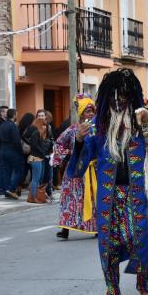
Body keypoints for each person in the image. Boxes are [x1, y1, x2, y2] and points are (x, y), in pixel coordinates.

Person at [67, 68, 148, 295]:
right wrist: (80, 140)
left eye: (122, 98)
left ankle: (144, 287)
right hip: (109, 197)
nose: (117, 103)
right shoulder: (98, 126)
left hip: (138, 195)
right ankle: (112, 290)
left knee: (141, 240)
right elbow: (79, 166)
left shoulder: (146, 120)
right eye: (113, 98)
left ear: (131, 97)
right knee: (108, 243)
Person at [53, 94, 98, 239]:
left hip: (93, 171)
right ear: (81, 113)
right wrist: (65, 156)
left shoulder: (98, 130)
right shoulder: (72, 130)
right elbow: (59, 143)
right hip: (74, 171)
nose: (90, 114)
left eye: (92, 111)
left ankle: (96, 227)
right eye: (87, 111)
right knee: (69, 200)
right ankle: (65, 228)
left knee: (93, 199)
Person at [21, 113, 52, 204]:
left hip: (40, 157)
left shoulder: (41, 134)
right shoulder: (36, 133)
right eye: (43, 125)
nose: (45, 127)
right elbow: (34, 146)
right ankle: (33, 197)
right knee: (35, 179)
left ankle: (35, 196)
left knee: (39, 178)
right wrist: (43, 153)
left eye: (45, 125)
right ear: (39, 125)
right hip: (36, 158)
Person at [0, 109, 24, 199]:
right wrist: (21, 152)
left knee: (6, 171)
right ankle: (11, 189)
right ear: (14, 115)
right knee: (19, 170)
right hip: (12, 151)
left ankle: (7, 190)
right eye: (16, 114)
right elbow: (16, 141)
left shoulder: (2, 125)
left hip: (3, 150)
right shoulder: (13, 126)